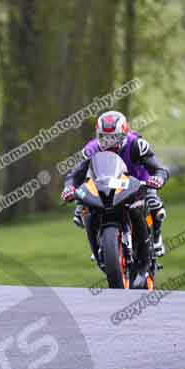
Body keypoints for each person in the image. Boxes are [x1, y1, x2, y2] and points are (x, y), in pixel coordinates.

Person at [61, 110, 170, 262]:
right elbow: (75, 174)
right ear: (98, 135)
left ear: (125, 134)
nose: (109, 143)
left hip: (139, 184)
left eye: (114, 138)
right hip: (106, 185)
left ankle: (156, 237)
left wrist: (158, 178)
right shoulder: (91, 149)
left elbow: (159, 168)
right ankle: (98, 242)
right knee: (83, 205)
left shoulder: (137, 144)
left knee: (154, 203)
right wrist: (69, 188)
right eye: (105, 138)